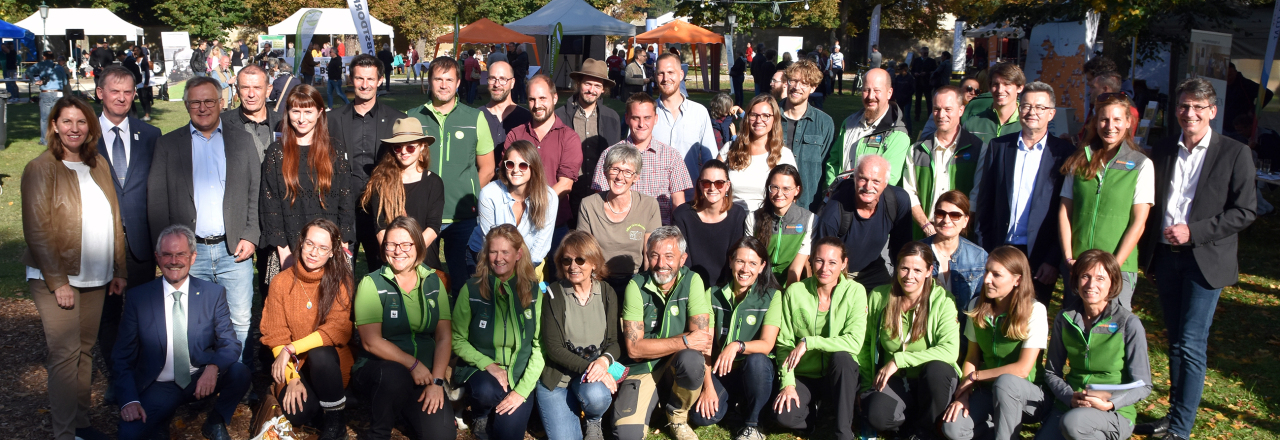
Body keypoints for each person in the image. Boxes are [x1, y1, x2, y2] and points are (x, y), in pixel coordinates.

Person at [1133, 78, 1257, 440]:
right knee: (1175, 342)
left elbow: (1246, 211)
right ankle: (1173, 417)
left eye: (1198, 108)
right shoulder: (1164, 148)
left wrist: (1195, 231)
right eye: (1185, 106)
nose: (1190, 114)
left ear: (1212, 112)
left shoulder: (1235, 152)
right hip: (1167, 259)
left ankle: (1182, 428)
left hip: (1206, 259)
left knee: (1190, 342)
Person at [22, 97, 127, 440]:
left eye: (81, 122)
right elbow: (38, 230)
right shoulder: (41, 168)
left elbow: (114, 218)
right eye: (66, 121)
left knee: (84, 351)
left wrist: (119, 269)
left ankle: (81, 425)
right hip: (57, 279)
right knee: (66, 354)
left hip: (97, 276)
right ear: (54, 125)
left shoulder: (97, 164)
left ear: (90, 127)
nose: (74, 129)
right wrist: (58, 281)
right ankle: (64, 434)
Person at [148, 76, 261, 363]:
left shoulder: (242, 140)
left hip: (233, 250)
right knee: (194, 323)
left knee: (239, 321)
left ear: (221, 103)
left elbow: (255, 191)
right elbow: (158, 201)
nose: (203, 107)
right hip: (189, 254)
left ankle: (237, 381)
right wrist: (166, 252)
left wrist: (250, 234)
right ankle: (200, 382)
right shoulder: (168, 145)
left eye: (209, 101)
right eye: (195, 102)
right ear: (186, 105)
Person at [113, 224, 249, 440]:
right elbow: (122, 356)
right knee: (129, 434)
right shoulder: (139, 299)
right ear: (157, 258)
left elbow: (230, 343)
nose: (174, 261)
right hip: (159, 384)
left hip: (198, 376)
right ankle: (161, 421)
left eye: (180, 254)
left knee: (239, 372)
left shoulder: (212, 294)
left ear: (193, 257)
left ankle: (215, 421)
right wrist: (129, 400)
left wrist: (213, 368)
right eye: (167, 255)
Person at [353, 216, 458, 440]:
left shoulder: (433, 281)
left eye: (406, 245)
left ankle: (407, 412)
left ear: (418, 247)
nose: (398, 251)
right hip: (381, 368)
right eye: (391, 244)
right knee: (394, 375)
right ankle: (379, 433)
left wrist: (438, 381)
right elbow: (371, 341)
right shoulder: (371, 283)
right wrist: (413, 364)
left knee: (441, 436)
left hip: (426, 374)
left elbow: (443, 337)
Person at [94, 65, 163, 401]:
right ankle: (118, 379)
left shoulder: (150, 135)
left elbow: (158, 189)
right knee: (107, 317)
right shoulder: (83, 134)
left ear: (134, 94)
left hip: (139, 243)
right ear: (100, 93)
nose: (121, 98)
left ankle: (143, 375)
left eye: (127, 91)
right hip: (98, 245)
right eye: (114, 91)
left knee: (142, 317)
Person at [972, 81, 1074, 305]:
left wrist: (1053, 260)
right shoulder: (999, 147)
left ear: (1051, 114)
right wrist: (985, 249)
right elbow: (985, 203)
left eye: (1040, 107)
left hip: (1039, 256)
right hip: (1000, 248)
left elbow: (1066, 212)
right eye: (1027, 106)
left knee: (1030, 321)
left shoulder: (1064, 154)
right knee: (994, 313)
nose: (1032, 112)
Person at [1037, 250, 1152, 440]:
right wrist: (1069, 397)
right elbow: (1051, 372)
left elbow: (1144, 385)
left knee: (1073, 424)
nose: (1091, 285)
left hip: (1113, 412)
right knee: (1068, 424)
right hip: (1071, 405)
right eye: (1085, 276)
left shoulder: (1128, 323)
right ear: (1075, 280)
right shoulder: (1065, 318)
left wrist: (1111, 403)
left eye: (1100, 278)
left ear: (1112, 283)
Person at [940, 246, 1050, 440]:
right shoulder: (977, 306)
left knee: (1006, 382)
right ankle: (996, 428)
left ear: (1018, 280)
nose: (987, 279)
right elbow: (972, 357)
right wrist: (964, 394)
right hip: (988, 390)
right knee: (953, 429)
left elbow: (1023, 369)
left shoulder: (1035, 311)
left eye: (996, 275)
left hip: (1027, 395)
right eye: (987, 271)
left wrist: (977, 376)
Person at [613, 226, 712, 440]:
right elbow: (634, 348)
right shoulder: (635, 285)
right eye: (654, 256)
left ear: (682, 259)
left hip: (677, 363)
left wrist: (654, 344)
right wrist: (685, 339)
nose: (661, 264)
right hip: (642, 367)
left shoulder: (693, 280)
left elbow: (702, 339)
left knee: (692, 360)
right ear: (647, 257)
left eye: (669, 256)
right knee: (625, 435)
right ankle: (656, 403)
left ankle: (677, 415)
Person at [1057, 93, 1154, 309]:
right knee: (1074, 329)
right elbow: (1065, 210)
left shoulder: (1141, 164)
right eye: (1104, 119)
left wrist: (1112, 267)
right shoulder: (1079, 160)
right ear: (1095, 123)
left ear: (1128, 122)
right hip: (1078, 266)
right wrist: (1068, 257)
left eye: (1117, 119)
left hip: (1118, 268)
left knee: (1110, 334)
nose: (1110, 126)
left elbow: (1138, 223)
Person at [260, 219, 354, 439]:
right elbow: (275, 334)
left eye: (323, 248)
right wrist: (292, 378)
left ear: (332, 253)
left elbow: (337, 329)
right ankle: (331, 402)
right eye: (310, 244)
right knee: (299, 414)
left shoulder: (342, 281)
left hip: (331, 362)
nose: (314, 252)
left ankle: (335, 424)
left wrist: (290, 348)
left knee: (320, 353)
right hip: (295, 364)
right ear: (301, 243)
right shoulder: (281, 282)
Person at [410, 56, 496, 294]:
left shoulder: (475, 118)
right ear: (429, 82)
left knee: (463, 281)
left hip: (462, 217)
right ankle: (429, 326)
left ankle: (461, 327)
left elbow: (488, 167)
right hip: (423, 214)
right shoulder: (413, 116)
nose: (444, 85)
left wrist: (468, 195)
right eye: (438, 79)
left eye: (449, 79)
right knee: (424, 280)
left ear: (458, 83)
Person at [452, 225, 546, 440]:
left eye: (505, 252)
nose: (498, 258)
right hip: (482, 371)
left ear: (518, 254)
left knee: (508, 435)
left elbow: (540, 346)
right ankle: (480, 413)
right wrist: (489, 365)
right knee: (486, 391)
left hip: (519, 374)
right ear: (486, 254)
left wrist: (521, 392)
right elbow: (456, 338)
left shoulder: (532, 291)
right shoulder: (472, 288)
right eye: (494, 251)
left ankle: (501, 412)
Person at [859, 241, 961, 439]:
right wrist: (865, 386)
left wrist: (899, 360)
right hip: (896, 380)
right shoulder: (879, 296)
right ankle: (909, 425)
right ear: (896, 268)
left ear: (929, 271)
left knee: (938, 370)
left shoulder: (943, 300)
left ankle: (925, 431)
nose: (909, 276)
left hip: (930, 382)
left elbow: (950, 351)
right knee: (877, 416)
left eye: (917, 270)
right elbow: (865, 343)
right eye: (904, 268)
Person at [770, 237, 866, 440]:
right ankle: (817, 414)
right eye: (819, 261)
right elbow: (784, 344)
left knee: (843, 357)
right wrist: (788, 383)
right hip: (805, 374)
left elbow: (854, 342)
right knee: (784, 417)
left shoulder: (856, 291)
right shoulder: (795, 292)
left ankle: (843, 433)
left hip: (839, 375)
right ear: (811, 262)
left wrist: (809, 341)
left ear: (844, 264)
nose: (824, 268)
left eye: (832, 262)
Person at [690, 237, 780, 440]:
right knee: (700, 417)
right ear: (730, 261)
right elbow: (704, 344)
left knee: (757, 360)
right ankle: (735, 403)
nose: (745, 269)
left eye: (753, 263)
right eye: (740, 261)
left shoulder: (772, 297)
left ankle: (753, 423)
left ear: (762, 266)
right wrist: (708, 387)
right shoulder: (712, 294)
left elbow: (767, 344)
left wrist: (737, 346)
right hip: (724, 371)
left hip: (756, 370)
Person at [260, 85, 355, 274]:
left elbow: (346, 201)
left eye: (308, 112)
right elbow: (270, 206)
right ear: (288, 112)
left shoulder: (334, 150)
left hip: (329, 247)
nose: (302, 119)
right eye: (296, 111)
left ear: (320, 112)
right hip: (288, 247)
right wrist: (284, 252)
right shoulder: (276, 153)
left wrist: (342, 246)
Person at [537, 231, 621, 440]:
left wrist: (603, 361)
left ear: (594, 263)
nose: (573, 266)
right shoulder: (552, 294)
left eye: (580, 259)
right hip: (558, 378)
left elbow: (613, 343)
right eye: (567, 260)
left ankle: (594, 420)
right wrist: (596, 369)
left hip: (590, 379)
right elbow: (554, 349)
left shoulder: (607, 292)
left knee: (597, 396)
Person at [329, 54, 409, 269]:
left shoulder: (397, 120)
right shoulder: (332, 120)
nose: (365, 85)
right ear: (351, 79)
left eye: (370, 79)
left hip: (383, 207)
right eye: (359, 79)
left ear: (380, 80)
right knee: (341, 271)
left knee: (383, 268)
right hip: (344, 208)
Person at [506, 75, 583, 252]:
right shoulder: (515, 135)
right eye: (532, 99)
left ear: (555, 98)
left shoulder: (569, 137)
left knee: (557, 278)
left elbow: (565, 184)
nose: (537, 104)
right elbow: (507, 176)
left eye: (542, 98)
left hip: (555, 224)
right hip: (518, 224)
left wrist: (533, 206)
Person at [812, 155, 912, 290]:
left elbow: (902, 248)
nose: (868, 186)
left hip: (874, 267)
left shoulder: (898, 201)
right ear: (855, 178)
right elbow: (823, 262)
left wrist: (900, 284)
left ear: (886, 183)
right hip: (842, 272)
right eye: (863, 179)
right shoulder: (834, 212)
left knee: (892, 301)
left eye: (876, 181)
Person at [592, 93, 693, 225]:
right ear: (627, 118)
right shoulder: (609, 154)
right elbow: (600, 200)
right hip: (620, 231)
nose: (641, 124)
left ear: (656, 119)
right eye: (636, 118)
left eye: (647, 118)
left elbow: (678, 203)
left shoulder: (671, 156)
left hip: (659, 232)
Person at [361, 117, 445, 271]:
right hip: (391, 260)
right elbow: (380, 227)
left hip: (424, 260)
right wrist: (395, 255)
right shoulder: (381, 181)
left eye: (410, 147)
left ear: (422, 147)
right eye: (398, 147)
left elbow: (433, 227)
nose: (404, 152)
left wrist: (412, 254)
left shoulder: (434, 182)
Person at [577, 144, 664, 293]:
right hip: (598, 280)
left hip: (635, 279)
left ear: (636, 177)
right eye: (615, 169)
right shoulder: (588, 205)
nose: (619, 177)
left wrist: (648, 290)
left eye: (628, 172)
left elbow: (650, 253)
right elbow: (583, 252)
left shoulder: (649, 205)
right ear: (605, 172)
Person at [903, 86, 983, 239]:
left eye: (948, 109)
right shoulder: (916, 150)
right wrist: (926, 226)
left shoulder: (978, 149)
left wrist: (955, 228)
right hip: (925, 234)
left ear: (961, 110)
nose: (941, 115)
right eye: (936, 109)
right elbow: (909, 193)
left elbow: (977, 195)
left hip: (962, 235)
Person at [469, 140, 559, 272]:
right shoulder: (489, 194)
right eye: (510, 164)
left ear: (533, 167)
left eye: (523, 165)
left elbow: (542, 243)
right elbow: (490, 241)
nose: (515, 170)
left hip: (527, 264)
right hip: (487, 257)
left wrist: (523, 271)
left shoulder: (549, 197)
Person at [559, 59, 626, 226]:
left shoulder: (612, 118)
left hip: (601, 193)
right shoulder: (559, 116)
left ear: (603, 89)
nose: (591, 90)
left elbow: (616, 157)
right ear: (579, 84)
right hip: (569, 193)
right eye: (587, 84)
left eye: (597, 86)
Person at [826, 68, 911, 187]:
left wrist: (853, 197)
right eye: (866, 90)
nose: (871, 96)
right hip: (838, 198)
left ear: (889, 93)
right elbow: (833, 161)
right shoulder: (849, 123)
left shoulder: (898, 134)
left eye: (877, 90)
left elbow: (888, 179)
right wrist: (834, 189)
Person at [674, 160, 749, 286]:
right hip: (690, 288)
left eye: (719, 183)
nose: (712, 188)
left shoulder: (738, 215)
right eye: (706, 183)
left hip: (726, 289)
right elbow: (683, 261)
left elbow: (736, 259)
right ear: (699, 185)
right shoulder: (682, 215)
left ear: (727, 185)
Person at [654, 53, 718, 199]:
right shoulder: (647, 113)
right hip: (653, 201)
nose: (666, 78)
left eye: (671, 72)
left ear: (681, 74)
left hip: (690, 199)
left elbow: (710, 159)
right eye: (661, 73)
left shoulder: (699, 113)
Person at [720, 95, 797, 211]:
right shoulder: (729, 149)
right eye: (753, 115)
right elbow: (713, 184)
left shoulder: (784, 155)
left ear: (774, 119)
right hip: (731, 220)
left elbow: (791, 196)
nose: (758, 120)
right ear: (747, 117)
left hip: (766, 221)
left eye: (766, 116)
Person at [780, 61, 836, 211]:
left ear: (813, 88)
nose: (797, 87)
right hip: (772, 202)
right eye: (794, 81)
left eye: (804, 83)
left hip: (808, 205)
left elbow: (826, 165)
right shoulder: (770, 116)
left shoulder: (824, 123)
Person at [920, 191, 988, 314]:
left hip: (963, 329)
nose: (946, 220)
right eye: (941, 214)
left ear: (966, 220)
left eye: (955, 215)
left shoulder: (979, 257)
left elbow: (983, 303)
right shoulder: (916, 252)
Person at [748, 164, 813, 286]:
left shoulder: (809, 220)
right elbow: (750, 260)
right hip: (758, 283)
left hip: (790, 283)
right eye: (775, 187)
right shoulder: (753, 218)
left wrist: (787, 296)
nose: (779, 194)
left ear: (797, 190)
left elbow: (795, 269)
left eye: (786, 189)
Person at [221, 65, 282, 162]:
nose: (251, 94)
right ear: (237, 89)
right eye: (245, 88)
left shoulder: (283, 122)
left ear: (268, 90)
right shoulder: (222, 123)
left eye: (257, 88)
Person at [483, 61, 534, 160]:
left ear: (513, 83)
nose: (497, 84)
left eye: (503, 79)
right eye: (492, 78)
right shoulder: (476, 116)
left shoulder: (527, 119)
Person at [28, 51, 69, 145]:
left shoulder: (40, 65)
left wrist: (35, 80)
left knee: (45, 118)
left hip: (46, 93)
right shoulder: (59, 67)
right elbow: (65, 82)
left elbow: (28, 71)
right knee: (58, 116)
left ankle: (45, 140)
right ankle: (60, 137)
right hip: (58, 93)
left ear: (44, 57)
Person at [911, 46, 939, 121]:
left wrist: (926, 73)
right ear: (921, 53)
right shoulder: (916, 60)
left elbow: (934, 71)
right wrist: (915, 74)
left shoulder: (931, 61)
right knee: (918, 101)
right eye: (924, 53)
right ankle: (917, 116)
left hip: (927, 83)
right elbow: (912, 70)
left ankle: (930, 116)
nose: (925, 54)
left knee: (929, 101)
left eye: (927, 53)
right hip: (918, 83)